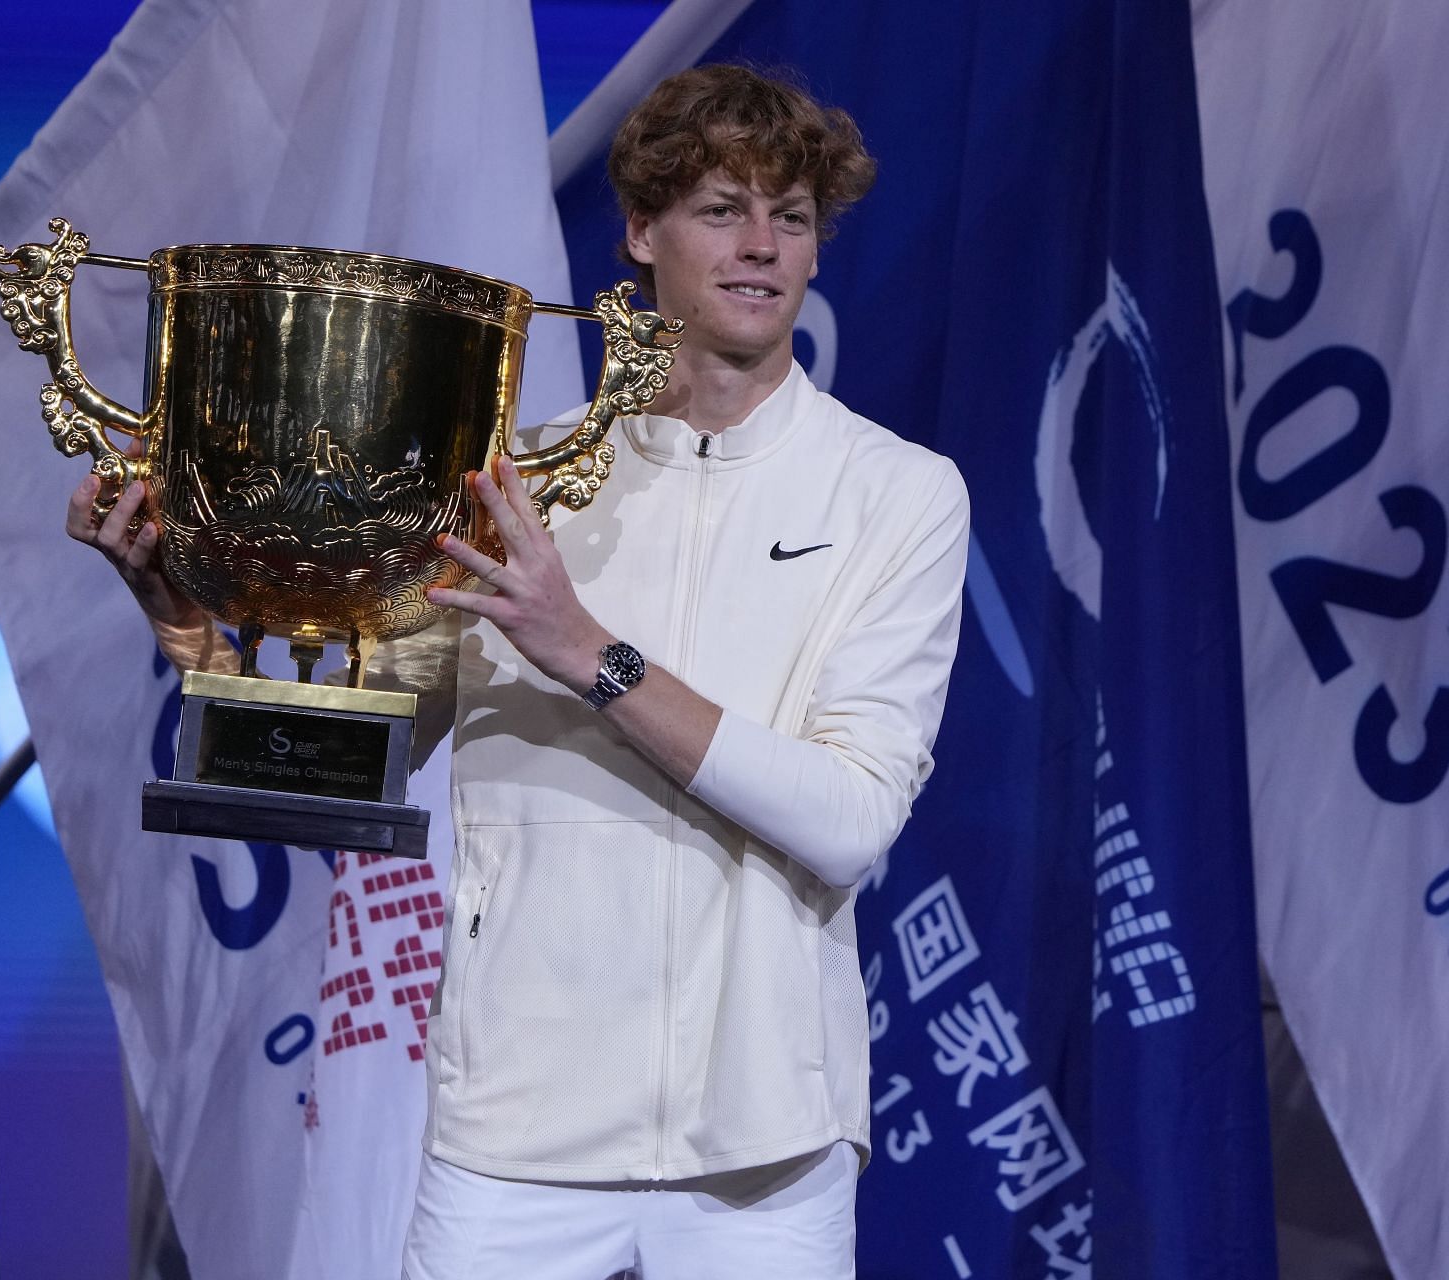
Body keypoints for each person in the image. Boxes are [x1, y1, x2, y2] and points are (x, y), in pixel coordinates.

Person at [68, 63, 970, 1280]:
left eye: (792, 216)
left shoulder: (898, 492)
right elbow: (347, 765)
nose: (762, 245)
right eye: (720, 208)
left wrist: (586, 651)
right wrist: (185, 612)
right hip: (515, 1138)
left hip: (767, 1153)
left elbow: (852, 818)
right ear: (642, 235)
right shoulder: (511, 489)